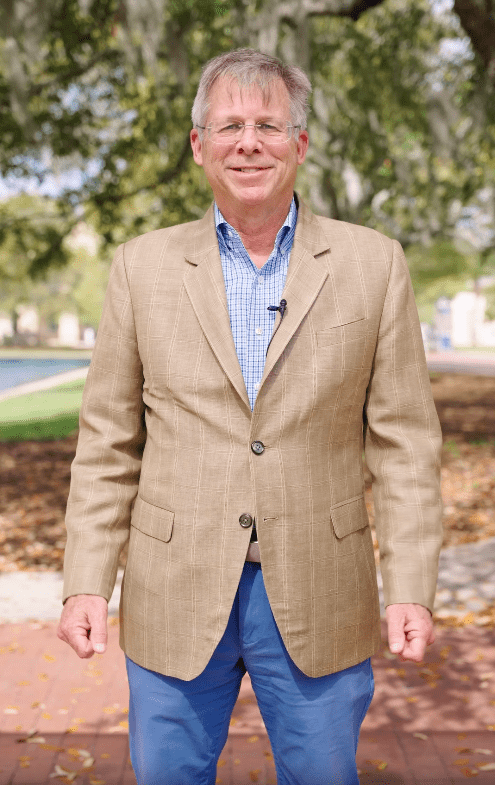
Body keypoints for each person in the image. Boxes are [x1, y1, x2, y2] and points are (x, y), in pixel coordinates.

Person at [58, 48, 443, 785]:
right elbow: (107, 444)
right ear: (198, 145)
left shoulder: (373, 263)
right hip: (173, 587)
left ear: (299, 144)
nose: (248, 142)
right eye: (228, 125)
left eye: (268, 124)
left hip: (320, 587)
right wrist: (85, 580)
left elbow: (404, 446)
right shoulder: (140, 268)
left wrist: (410, 585)